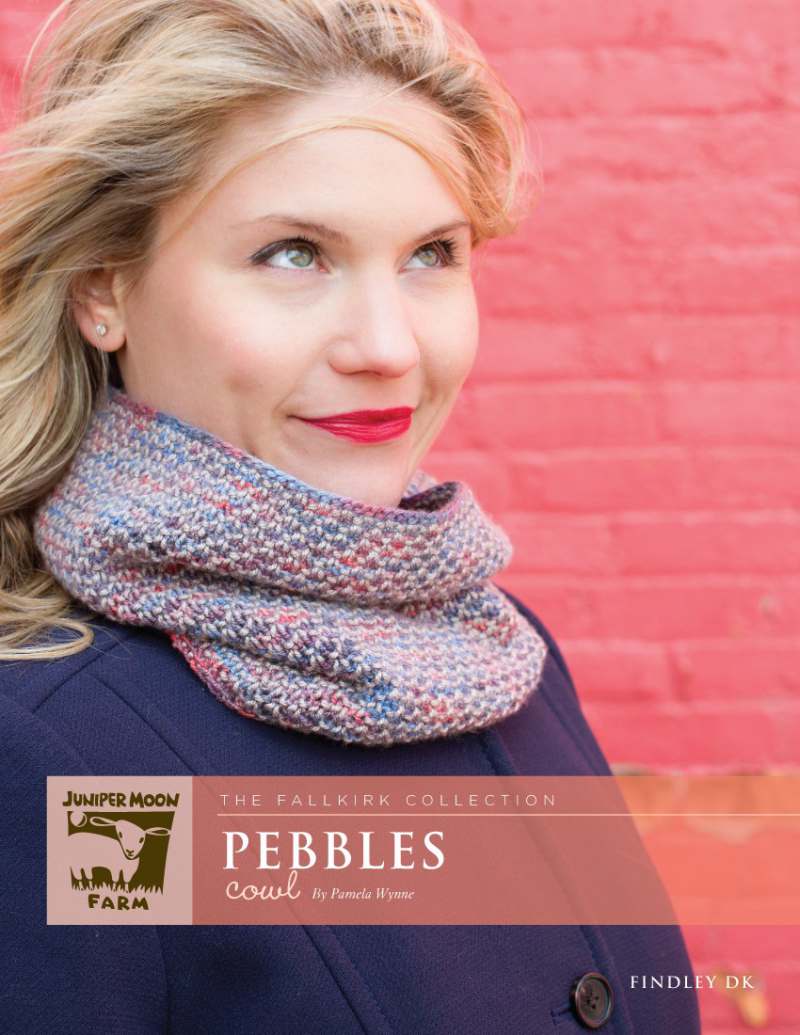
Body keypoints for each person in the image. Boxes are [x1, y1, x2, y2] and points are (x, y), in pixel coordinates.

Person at [0, 1, 701, 1031]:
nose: (388, 346)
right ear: (103, 286)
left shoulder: (505, 655)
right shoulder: (66, 756)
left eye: (431, 254)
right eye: (293, 253)